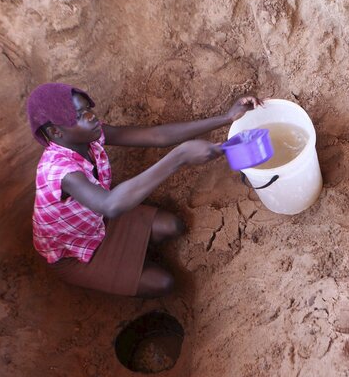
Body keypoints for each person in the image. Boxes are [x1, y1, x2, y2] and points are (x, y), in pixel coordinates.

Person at [27, 82, 261, 298]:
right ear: (56, 132)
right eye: (79, 116)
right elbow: (110, 205)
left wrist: (226, 117)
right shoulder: (59, 170)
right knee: (163, 283)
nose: (91, 116)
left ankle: (131, 262)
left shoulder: (91, 136)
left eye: (88, 108)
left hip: (100, 223)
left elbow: (156, 136)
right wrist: (179, 157)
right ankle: (116, 271)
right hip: (77, 253)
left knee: (172, 226)